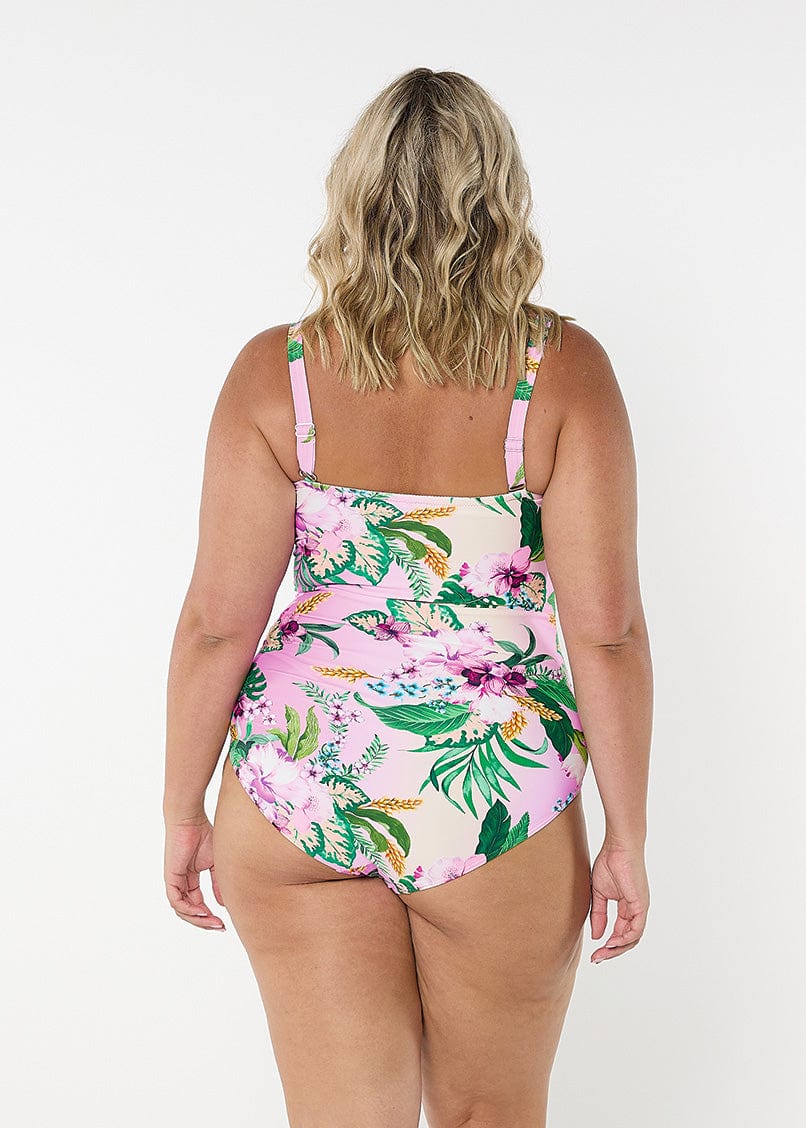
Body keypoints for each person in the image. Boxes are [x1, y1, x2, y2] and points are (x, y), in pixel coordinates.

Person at [163, 67, 652, 1128]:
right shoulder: (559, 373)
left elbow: (214, 625)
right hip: (493, 789)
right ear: (501, 198)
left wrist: (182, 808)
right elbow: (607, 632)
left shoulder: (280, 373)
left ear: (354, 194)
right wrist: (627, 833)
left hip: (302, 781)